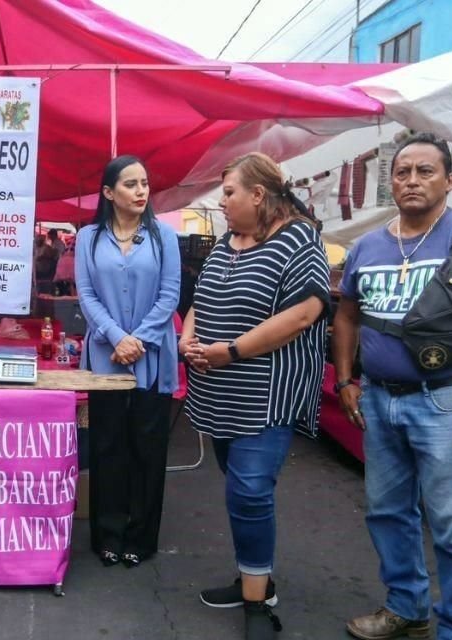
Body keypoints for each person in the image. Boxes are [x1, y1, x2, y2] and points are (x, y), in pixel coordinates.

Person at [332, 133, 452, 640]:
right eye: (402, 172)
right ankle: (407, 608)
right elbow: (347, 315)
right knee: (387, 512)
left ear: (447, 180)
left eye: (424, 171)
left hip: (447, 399)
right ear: (390, 182)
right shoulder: (369, 246)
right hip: (378, 398)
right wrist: (347, 379)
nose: (412, 180)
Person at [181, 152, 330, 640]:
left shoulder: (299, 240)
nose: (222, 203)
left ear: (258, 195)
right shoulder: (228, 241)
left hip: (265, 394)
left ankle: (258, 602)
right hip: (220, 390)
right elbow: (203, 296)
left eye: (229, 193)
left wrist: (233, 351)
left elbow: (304, 314)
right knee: (239, 488)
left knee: (248, 490)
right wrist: (189, 335)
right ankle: (254, 575)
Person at [75, 154, 180, 569]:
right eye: (130, 184)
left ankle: (140, 536)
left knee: (147, 448)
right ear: (108, 192)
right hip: (105, 354)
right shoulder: (88, 238)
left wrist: (139, 339)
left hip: (152, 354)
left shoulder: (163, 237)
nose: (141, 191)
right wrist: (117, 337)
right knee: (107, 446)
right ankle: (108, 535)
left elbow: (170, 294)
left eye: (144, 184)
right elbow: (87, 295)